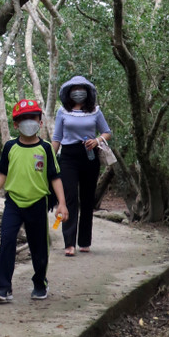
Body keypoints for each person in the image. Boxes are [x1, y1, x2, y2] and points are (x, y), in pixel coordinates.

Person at [0, 97, 68, 303]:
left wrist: (62, 203)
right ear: (16, 124)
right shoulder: (10, 147)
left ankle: (39, 283)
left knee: (39, 247)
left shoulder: (45, 149)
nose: (29, 122)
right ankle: (3, 288)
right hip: (13, 203)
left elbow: (55, 177)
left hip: (37, 203)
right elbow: (2, 174)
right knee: (7, 242)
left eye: (32, 117)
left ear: (40, 122)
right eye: (23, 118)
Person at [52, 75, 111, 255]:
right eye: (74, 88)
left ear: (87, 91)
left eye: (82, 88)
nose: (78, 91)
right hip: (68, 157)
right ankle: (69, 244)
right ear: (69, 92)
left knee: (87, 200)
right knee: (69, 198)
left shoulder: (95, 111)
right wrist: (49, 160)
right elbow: (56, 138)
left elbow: (107, 132)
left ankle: (84, 241)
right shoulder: (62, 112)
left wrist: (97, 140)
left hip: (90, 157)